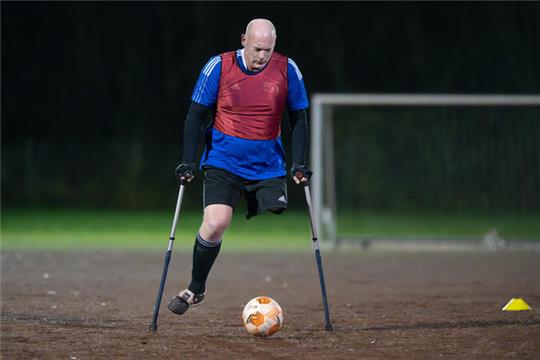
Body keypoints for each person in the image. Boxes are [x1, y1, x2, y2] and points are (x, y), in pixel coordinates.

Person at [167, 18, 311, 315]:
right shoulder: (218, 66)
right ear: (244, 39)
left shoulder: (287, 69)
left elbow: (299, 119)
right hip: (224, 160)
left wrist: (298, 162)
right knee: (216, 222)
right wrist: (188, 161)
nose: (262, 56)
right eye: (257, 48)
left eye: (268, 50)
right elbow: (196, 116)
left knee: (275, 207)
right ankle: (196, 288)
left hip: (268, 164)